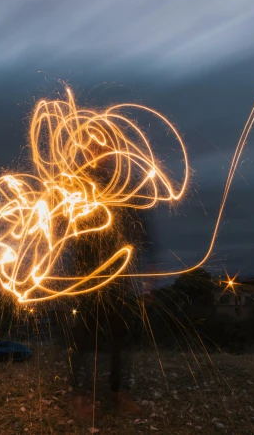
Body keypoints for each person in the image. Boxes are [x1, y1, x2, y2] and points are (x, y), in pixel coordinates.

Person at [66, 142, 148, 419]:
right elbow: (64, 225)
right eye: (95, 150)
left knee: (119, 334)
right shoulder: (77, 182)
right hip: (89, 273)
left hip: (118, 273)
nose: (101, 155)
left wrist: (147, 264)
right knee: (85, 335)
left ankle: (115, 391)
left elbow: (139, 225)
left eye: (106, 151)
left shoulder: (126, 184)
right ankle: (79, 394)